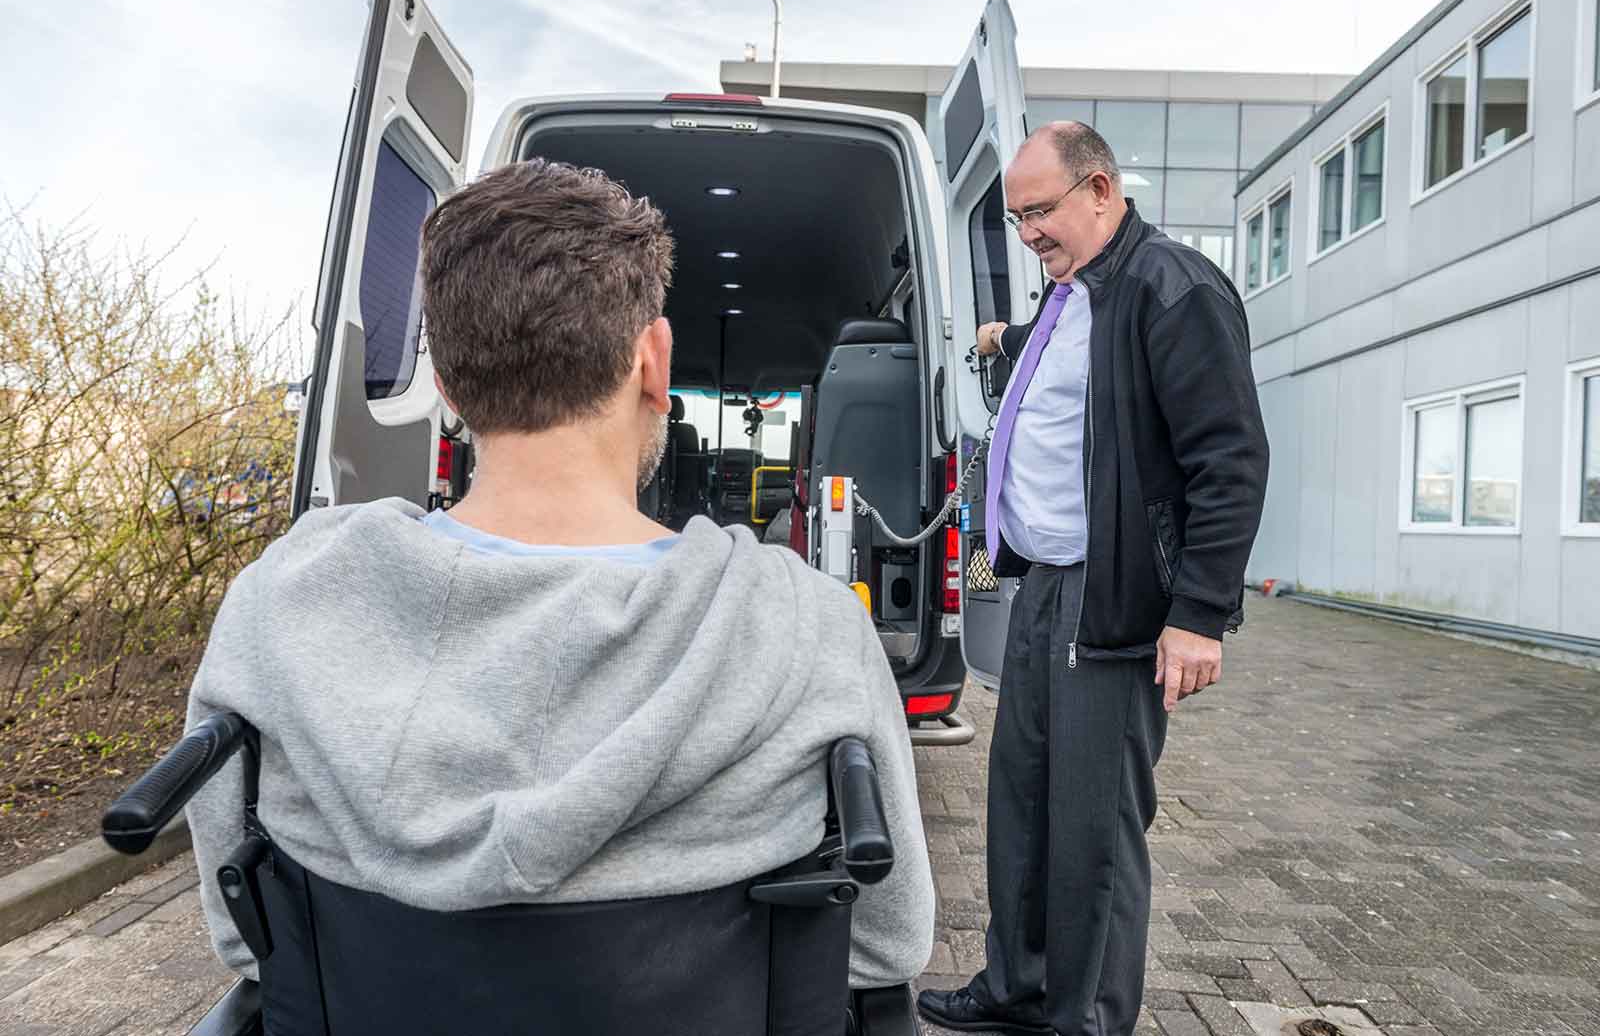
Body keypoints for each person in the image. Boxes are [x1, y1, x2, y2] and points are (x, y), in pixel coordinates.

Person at [185, 158, 934, 990]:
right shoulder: (810, 628)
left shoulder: (284, 604)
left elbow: (251, 941)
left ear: (446, 386)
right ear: (655, 361)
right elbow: (885, 947)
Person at [917, 123, 1269, 1036]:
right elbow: (1068, 367)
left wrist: (1197, 615)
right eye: (1016, 218)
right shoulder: (1074, 292)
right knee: (1021, 803)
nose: (1027, 233)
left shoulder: (1173, 289)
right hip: (1045, 588)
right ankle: (1017, 988)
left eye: (1040, 212)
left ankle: (1087, 1019)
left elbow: (1229, 461)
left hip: (1117, 605)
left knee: (1093, 832)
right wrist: (1002, 338)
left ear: (1102, 192)